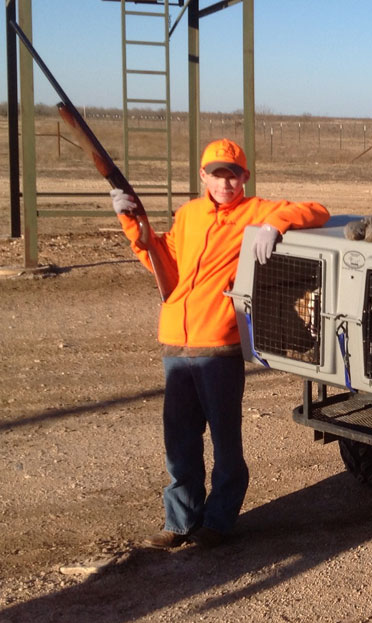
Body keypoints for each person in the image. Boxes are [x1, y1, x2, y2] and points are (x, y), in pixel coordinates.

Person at [110, 138, 330, 550]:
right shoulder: (189, 214)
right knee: (179, 440)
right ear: (203, 176)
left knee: (225, 440)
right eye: (217, 174)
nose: (225, 183)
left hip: (220, 344)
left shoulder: (255, 212)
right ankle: (179, 521)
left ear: (244, 177)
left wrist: (273, 226)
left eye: (233, 175)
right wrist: (129, 221)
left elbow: (318, 210)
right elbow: (163, 262)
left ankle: (219, 520)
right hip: (176, 343)